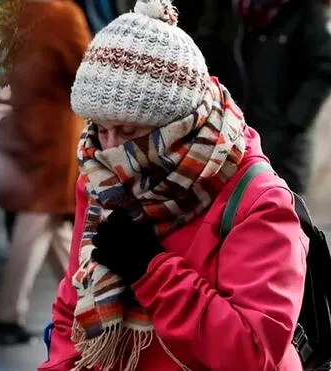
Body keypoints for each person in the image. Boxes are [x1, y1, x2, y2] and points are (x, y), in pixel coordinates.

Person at [40, 1, 307, 370]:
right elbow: (71, 304)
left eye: (130, 132)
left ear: (176, 125)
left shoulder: (258, 199)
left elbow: (254, 353)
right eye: (102, 129)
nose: (113, 150)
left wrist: (152, 271)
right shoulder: (99, 174)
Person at [0, 0, 92, 345]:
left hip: (37, 131)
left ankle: (85, 305)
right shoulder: (63, 13)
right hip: (55, 136)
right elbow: (87, 68)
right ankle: (7, 315)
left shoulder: (26, 11)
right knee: (36, 222)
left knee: (55, 228)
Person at [193, 0, 331, 194]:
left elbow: (324, 67)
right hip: (228, 133)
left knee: (281, 210)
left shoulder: (308, 10)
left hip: (282, 146)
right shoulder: (228, 8)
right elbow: (205, 47)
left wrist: (293, 121)